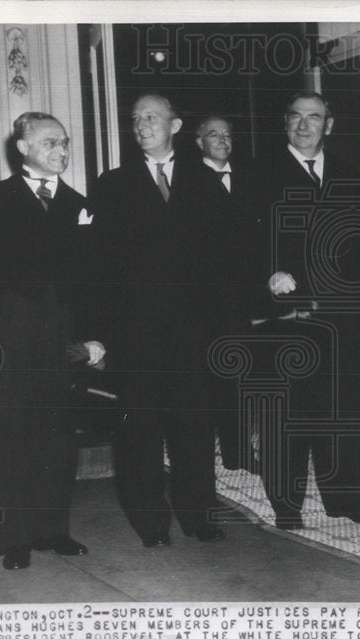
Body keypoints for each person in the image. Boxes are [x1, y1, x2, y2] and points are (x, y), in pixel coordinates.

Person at [0, 112, 102, 570]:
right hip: (6, 328)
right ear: (22, 147)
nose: (60, 150)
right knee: (6, 433)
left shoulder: (80, 203)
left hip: (60, 331)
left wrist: (92, 337)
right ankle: (14, 538)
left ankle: (53, 529)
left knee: (57, 433)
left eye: (64, 142)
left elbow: (93, 279)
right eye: (49, 142)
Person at [92, 95, 227, 547]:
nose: (141, 124)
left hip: (194, 333)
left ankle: (198, 514)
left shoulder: (205, 182)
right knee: (141, 431)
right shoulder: (111, 185)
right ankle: (151, 522)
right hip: (138, 334)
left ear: (176, 123)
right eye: (135, 119)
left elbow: (221, 259)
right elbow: (104, 267)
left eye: (151, 117)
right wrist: (109, 334)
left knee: (194, 425)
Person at [256, 91, 360, 530]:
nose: (304, 126)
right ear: (285, 123)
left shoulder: (351, 175)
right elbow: (238, 242)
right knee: (291, 410)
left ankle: (346, 498)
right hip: (291, 312)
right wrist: (268, 275)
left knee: (344, 408)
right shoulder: (260, 173)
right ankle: (287, 505)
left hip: (344, 313)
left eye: (314, 118)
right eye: (296, 117)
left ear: (329, 125)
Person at [191, 115, 259, 473]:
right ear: (198, 141)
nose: (221, 140)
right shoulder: (185, 180)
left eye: (227, 134)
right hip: (201, 299)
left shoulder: (249, 178)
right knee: (206, 379)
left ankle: (238, 452)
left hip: (244, 297)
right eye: (212, 134)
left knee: (240, 374)